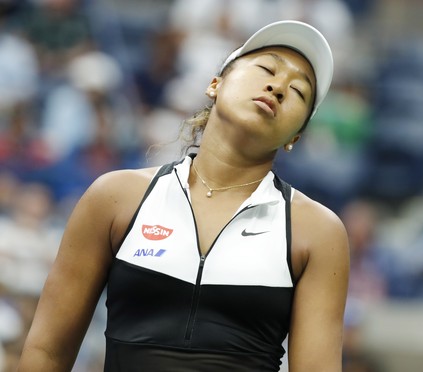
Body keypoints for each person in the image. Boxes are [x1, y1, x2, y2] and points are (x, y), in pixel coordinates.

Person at [18, 20, 350, 371]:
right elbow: (46, 353)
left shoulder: (318, 232)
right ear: (215, 84)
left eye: (298, 91)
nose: (278, 86)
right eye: (267, 68)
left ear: (294, 138)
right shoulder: (114, 197)